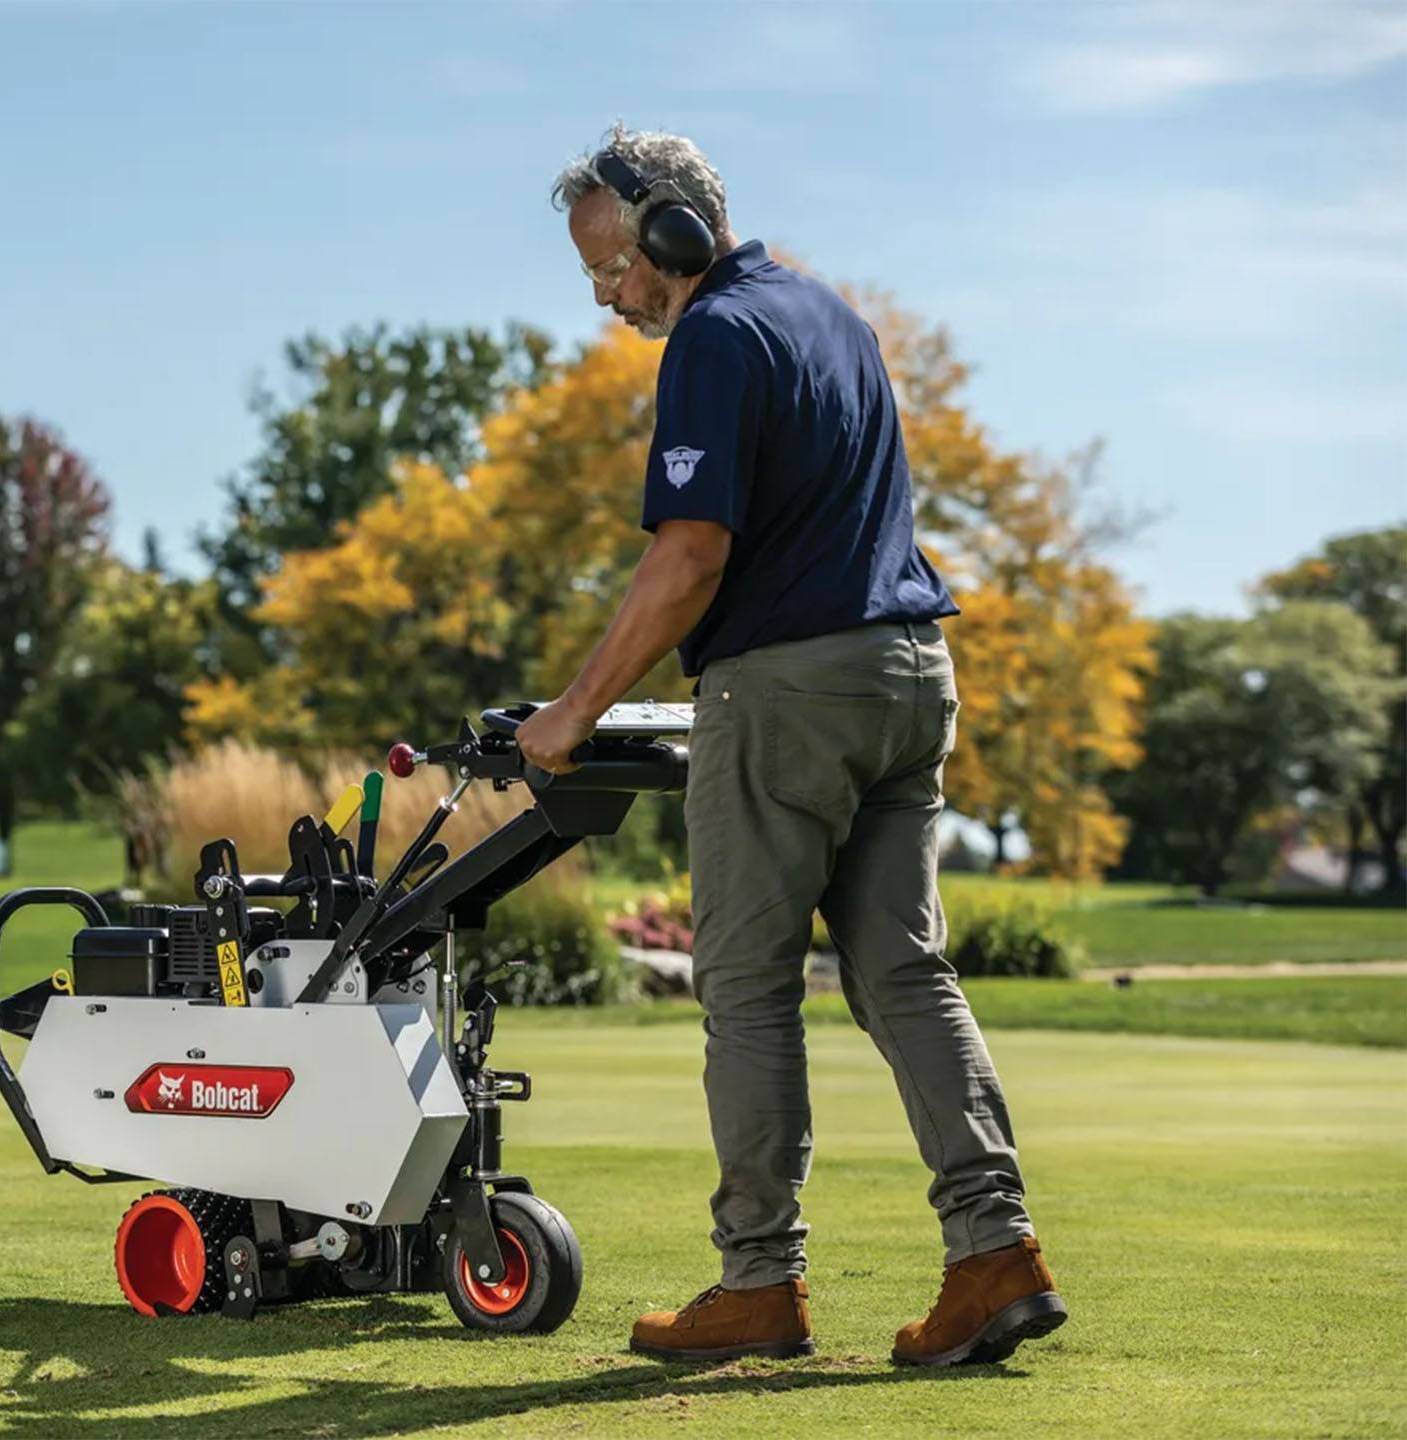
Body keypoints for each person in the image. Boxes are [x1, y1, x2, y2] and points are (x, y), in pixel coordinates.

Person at [514, 126, 1068, 1368]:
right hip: (909, 675)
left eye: (615, 267)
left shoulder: (714, 335)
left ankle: (759, 1283)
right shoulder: (830, 313)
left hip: (790, 691)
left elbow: (690, 554)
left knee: (749, 988)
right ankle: (997, 1254)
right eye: (594, 280)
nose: (611, 300)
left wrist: (574, 710)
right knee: (905, 973)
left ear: (672, 229)